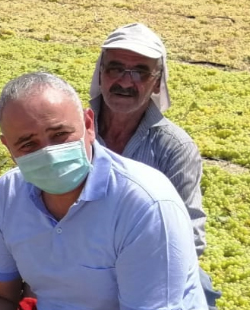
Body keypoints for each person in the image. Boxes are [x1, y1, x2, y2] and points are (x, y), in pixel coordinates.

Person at [0, 72, 207, 309]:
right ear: (8, 148)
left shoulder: (145, 205)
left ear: (88, 125)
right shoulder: (9, 193)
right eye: (28, 144)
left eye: (59, 135)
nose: (49, 153)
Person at [87, 23, 219, 308]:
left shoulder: (174, 147)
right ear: (101, 73)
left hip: (150, 263)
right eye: (116, 68)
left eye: (140, 72)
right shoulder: (73, 130)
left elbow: (190, 233)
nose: (125, 81)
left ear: (157, 82)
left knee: (201, 289)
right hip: (79, 256)